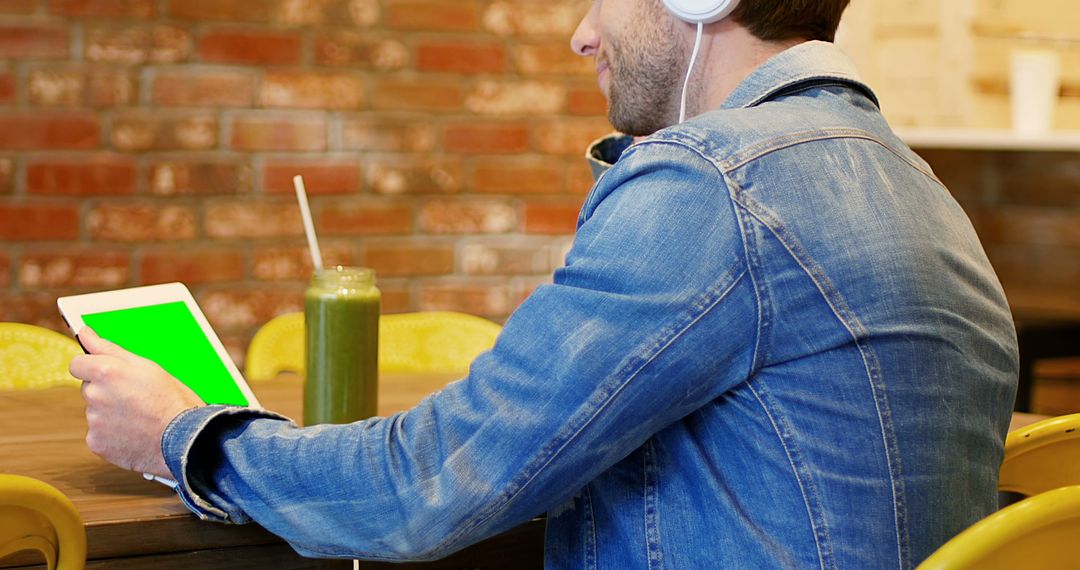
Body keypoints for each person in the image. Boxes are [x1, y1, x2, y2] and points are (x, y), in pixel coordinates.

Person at [71, 0, 1019, 567]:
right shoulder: (912, 181)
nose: (579, 34)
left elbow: (434, 483)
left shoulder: (716, 183)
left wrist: (183, 438)